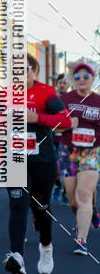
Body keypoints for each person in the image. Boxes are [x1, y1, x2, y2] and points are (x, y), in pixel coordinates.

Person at [4, 54, 72, 274]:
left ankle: (46, 247)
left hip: (42, 159)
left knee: (41, 208)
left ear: (33, 71)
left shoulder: (46, 92)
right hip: (16, 158)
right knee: (18, 205)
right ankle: (17, 257)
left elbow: (65, 121)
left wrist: (38, 118)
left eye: (23, 69)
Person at [58, 62, 100, 256]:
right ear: (73, 80)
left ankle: (81, 240)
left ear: (93, 79)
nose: (81, 80)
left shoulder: (98, 101)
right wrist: (67, 124)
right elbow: (52, 126)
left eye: (85, 76)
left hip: (91, 152)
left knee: (83, 194)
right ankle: (91, 211)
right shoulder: (64, 99)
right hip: (68, 152)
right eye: (77, 77)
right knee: (74, 202)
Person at [53, 73, 70, 205]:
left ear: (68, 85)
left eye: (64, 83)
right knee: (55, 168)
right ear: (56, 84)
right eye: (60, 83)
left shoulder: (71, 100)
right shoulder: (52, 99)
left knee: (66, 169)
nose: (62, 85)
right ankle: (58, 184)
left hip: (66, 139)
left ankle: (66, 193)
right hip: (53, 138)